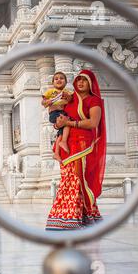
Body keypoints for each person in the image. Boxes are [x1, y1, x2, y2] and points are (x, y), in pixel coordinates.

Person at [46, 69, 106, 230]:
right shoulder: (71, 100)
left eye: (84, 80)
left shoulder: (94, 101)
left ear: (90, 83)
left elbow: (93, 123)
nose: (80, 83)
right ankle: (66, 217)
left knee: (79, 181)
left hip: (83, 147)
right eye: (78, 80)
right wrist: (59, 124)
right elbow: (58, 121)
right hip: (67, 148)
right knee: (68, 181)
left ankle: (81, 216)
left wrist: (69, 124)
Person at [42, 71, 73, 163]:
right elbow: (43, 101)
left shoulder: (67, 92)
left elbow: (71, 100)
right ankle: (63, 141)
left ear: (66, 82)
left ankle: (56, 152)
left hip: (62, 113)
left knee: (62, 131)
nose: (59, 80)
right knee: (67, 121)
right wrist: (47, 102)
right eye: (56, 79)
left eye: (61, 78)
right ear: (53, 83)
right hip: (54, 113)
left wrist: (68, 96)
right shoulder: (50, 91)